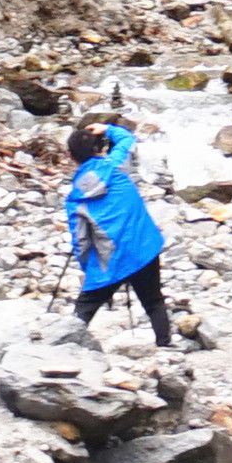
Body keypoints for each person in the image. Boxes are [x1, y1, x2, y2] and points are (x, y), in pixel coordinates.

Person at [61, 117, 178, 351]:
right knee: (153, 300)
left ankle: (65, 346)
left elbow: (81, 242)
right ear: (98, 149)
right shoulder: (116, 166)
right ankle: (165, 347)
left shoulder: (75, 199)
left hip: (109, 259)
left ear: (71, 157)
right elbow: (127, 139)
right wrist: (107, 129)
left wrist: (89, 269)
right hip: (143, 248)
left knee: (85, 307)